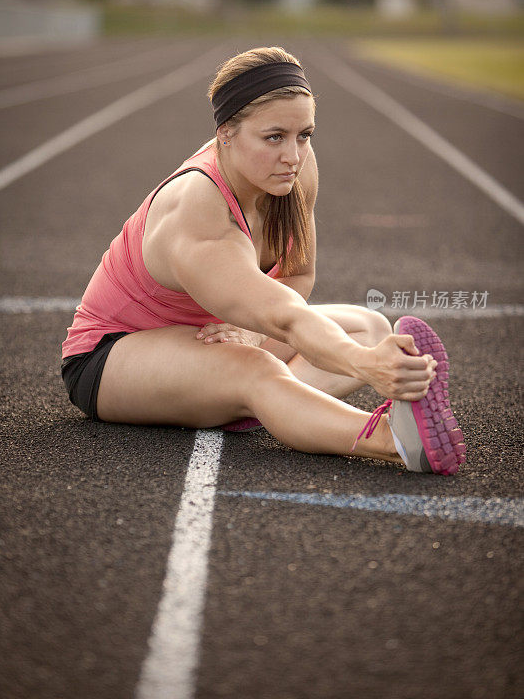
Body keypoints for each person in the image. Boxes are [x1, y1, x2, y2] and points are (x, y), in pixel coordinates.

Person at [61, 46, 466, 475]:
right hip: (112, 358)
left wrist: (250, 334)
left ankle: (276, 406)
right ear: (226, 133)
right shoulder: (198, 204)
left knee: (369, 327)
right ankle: (392, 440)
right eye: (274, 137)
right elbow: (286, 317)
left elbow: (298, 276)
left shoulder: (294, 171)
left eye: (304, 135)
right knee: (257, 368)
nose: (292, 155)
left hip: (206, 342)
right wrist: (365, 365)